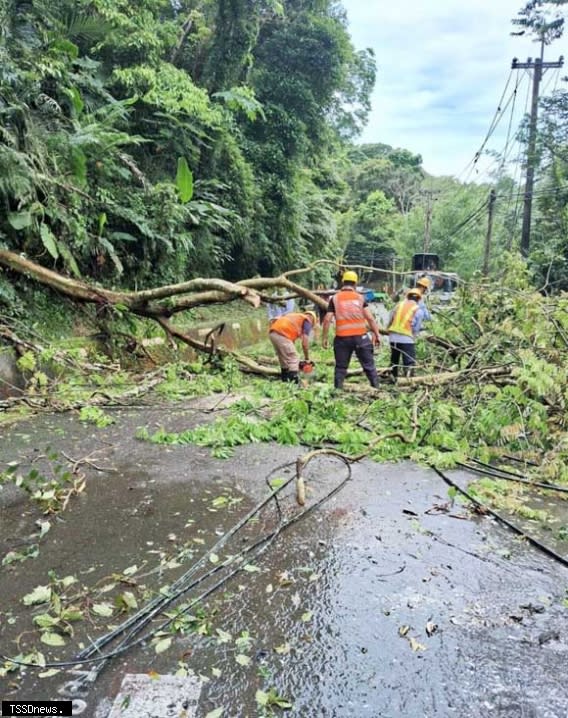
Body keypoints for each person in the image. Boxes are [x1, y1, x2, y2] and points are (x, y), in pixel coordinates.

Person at [321, 270, 381, 389]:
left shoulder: (335, 298)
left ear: (343, 283)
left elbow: (327, 319)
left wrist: (325, 338)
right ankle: (377, 389)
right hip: (361, 338)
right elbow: (370, 318)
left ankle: (337, 392)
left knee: (341, 367)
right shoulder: (360, 298)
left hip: (342, 339)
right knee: (369, 365)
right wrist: (377, 334)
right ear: (355, 283)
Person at [387, 288, 427, 379]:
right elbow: (416, 328)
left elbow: (391, 318)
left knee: (394, 360)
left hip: (393, 338)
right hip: (407, 339)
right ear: (419, 299)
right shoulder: (418, 310)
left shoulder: (398, 305)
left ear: (408, 297)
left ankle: (393, 378)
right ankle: (409, 381)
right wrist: (413, 336)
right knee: (409, 362)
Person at [269, 310, 317, 383]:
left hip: (273, 333)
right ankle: (294, 382)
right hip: (282, 334)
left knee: (283, 358)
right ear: (312, 319)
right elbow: (305, 343)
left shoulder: (295, 317)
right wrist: (307, 358)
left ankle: (284, 380)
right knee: (294, 358)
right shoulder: (307, 320)